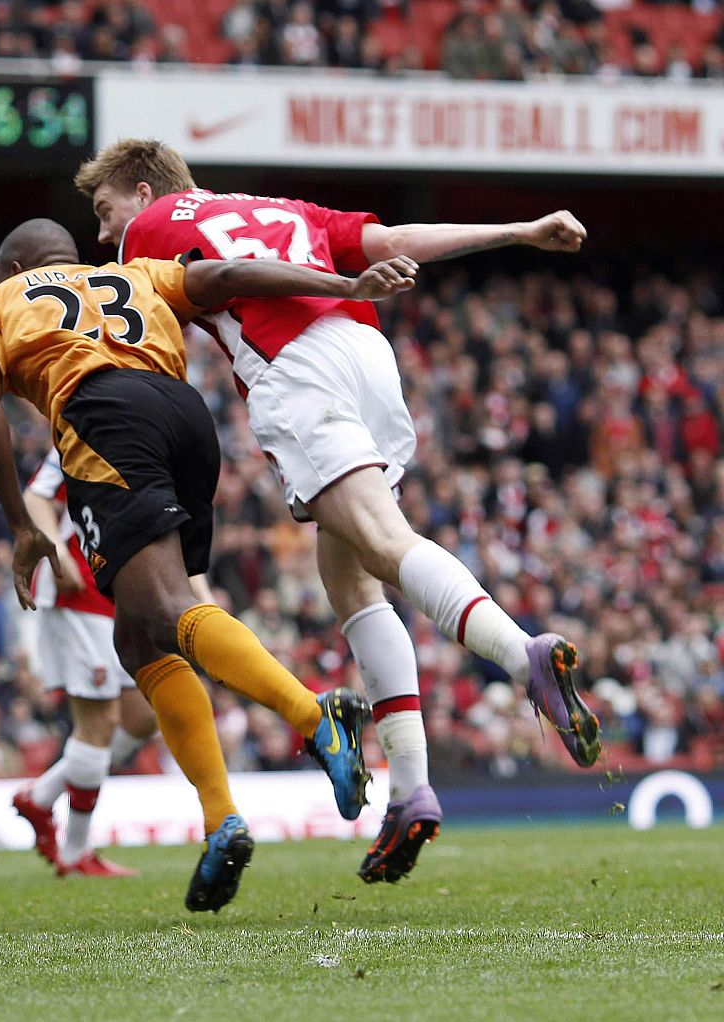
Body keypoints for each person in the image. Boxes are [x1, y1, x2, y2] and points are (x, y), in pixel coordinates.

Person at [77, 138, 601, 884]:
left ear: (140, 188)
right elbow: (394, 241)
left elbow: (202, 283)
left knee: (385, 543)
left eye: (105, 211)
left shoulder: (147, 227)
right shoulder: (282, 207)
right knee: (349, 576)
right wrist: (516, 232)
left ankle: (523, 655)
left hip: (296, 365)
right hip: (365, 352)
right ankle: (411, 790)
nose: (104, 233)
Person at [0, 219, 415, 911]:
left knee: (166, 609)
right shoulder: (137, 274)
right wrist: (344, 285)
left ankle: (314, 716)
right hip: (185, 417)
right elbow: (229, 276)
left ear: (10, 266)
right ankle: (220, 819)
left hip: (103, 417)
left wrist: (22, 523)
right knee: (139, 636)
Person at [13, 446, 158, 878]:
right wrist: (55, 547)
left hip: (124, 594)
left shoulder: (153, 433)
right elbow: (36, 495)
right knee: (97, 723)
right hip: (79, 591)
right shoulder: (83, 432)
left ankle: (40, 797)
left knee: (144, 716)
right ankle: (76, 853)